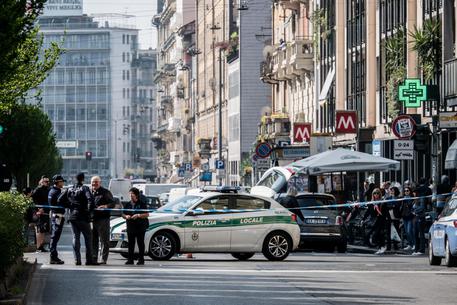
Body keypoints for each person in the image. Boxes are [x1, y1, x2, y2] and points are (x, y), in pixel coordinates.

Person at [59, 172, 96, 265]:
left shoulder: (69, 189)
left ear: (75, 179)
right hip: (83, 216)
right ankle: (89, 260)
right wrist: (89, 211)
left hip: (72, 216)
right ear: (83, 179)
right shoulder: (85, 188)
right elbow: (91, 200)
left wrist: (70, 205)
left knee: (76, 237)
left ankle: (77, 260)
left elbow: (60, 200)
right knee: (88, 238)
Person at [91, 176, 115, 265]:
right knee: (93, 240)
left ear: (100, 183)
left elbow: (113, 203)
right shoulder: (89, 192)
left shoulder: (105, 192)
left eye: (96, 182)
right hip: (92, 219)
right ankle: (94, 257)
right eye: (93, 182)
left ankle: (103, 259)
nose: (94, 184)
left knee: (104, 240)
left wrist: (105, 206)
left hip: (103, 219)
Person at [122, 187, 149, 265]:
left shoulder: (142, 204)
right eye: (130, 194)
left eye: (132, 194)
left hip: (140, 226)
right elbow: (123, 214)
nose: (130, 196)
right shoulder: (127, 204)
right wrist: (126, 216)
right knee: (130, 243)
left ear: (136, 195)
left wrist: (138, 215)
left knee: (140, 243)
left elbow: (147, 214)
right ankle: (130, 259)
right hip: (131, 226)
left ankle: (141, 259)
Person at [48, 175, 66, 264]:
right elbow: (63, 202)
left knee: (54, 236)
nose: (63, 183)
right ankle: (53, 257)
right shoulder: (57, 192)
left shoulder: (52, 191)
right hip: (58, 216)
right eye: (62, 181)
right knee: (55, 237)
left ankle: (53, 256)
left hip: (54, 215)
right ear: (58, 182)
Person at [32, 176, 51, 252]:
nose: (47, 183)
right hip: (39, 212)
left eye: (48, 182)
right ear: (42, 182)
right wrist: (38, 209)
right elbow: (33, 199)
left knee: (43, 230)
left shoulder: (48, 189)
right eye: (46, 181)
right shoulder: (38, 189)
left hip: (46, 212)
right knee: (39, 229)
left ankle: (41, 246)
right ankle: (38, 246)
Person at [384, 186, 401, 251]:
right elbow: (386, 206)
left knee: (395, 231)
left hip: (395, 217)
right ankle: (388, 247)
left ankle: (395, 246)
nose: (391, 192)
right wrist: (392, 206)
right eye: (391, 190)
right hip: (388, 217)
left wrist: (391, 206)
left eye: (393, 190)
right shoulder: (388, 198)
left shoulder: (398, 198)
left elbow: (397, 205)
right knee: (388, 232)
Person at [411, 188, 426, 255]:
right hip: (415, 218)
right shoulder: (415, 199)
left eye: (414, 192)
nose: (413, 194)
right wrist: (413, 211)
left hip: (420, 217)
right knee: (415, 234)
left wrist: (415, 211)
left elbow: (422, 207)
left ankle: (421, 249)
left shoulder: (421, 198)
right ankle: (416, 249)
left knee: (421, 234)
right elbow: (412, 208)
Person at [400, 186, 415, 251]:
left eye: (407, 191)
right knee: (406, 231)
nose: (406, 192)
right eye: (405, 191)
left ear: (410, 191)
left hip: (410, 216)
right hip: (404, 216)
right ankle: (410, 244)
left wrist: (408, 199)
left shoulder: (412, 198)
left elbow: (410, 205)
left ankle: (414, 244)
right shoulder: (403, 198)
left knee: (409, 231)